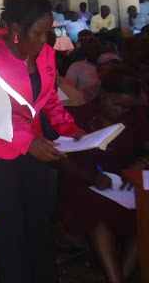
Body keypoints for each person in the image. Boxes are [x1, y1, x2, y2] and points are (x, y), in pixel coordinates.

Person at [0, 0, 85, 283]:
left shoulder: (45, 53)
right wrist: (27, 142)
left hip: (36, 146)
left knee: (40, 222)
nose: (46, 39)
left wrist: (72, 130)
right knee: (10, 227)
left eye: (49, 31)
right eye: (39, 32)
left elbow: (49, 100)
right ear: (16, 29)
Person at [59, 69, 149, 283]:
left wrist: (143, 162)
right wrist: (90, 176)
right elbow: (60, 157)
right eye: (115, 104)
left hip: (122, 178)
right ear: (103, 94)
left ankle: (120, 276)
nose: (121, 110)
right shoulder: (79, 116)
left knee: (144, 213)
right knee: (96, 211)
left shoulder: (134, 117)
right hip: (82, 179)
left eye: (126, 106)